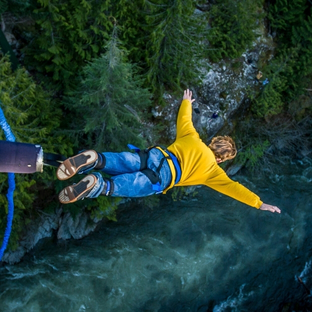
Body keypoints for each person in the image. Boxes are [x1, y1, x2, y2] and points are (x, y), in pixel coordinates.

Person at [56, 89, 281, 214]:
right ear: (221, 159)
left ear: (212, 142)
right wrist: (259, 203)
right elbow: (234, 189)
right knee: (125, 185)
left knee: (126, 160)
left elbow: (184, 118)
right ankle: (97, 184)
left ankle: (95, 159)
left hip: (156, 155)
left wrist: (187, 102)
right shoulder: (213, 172)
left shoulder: (192, 137)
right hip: (165, 177)